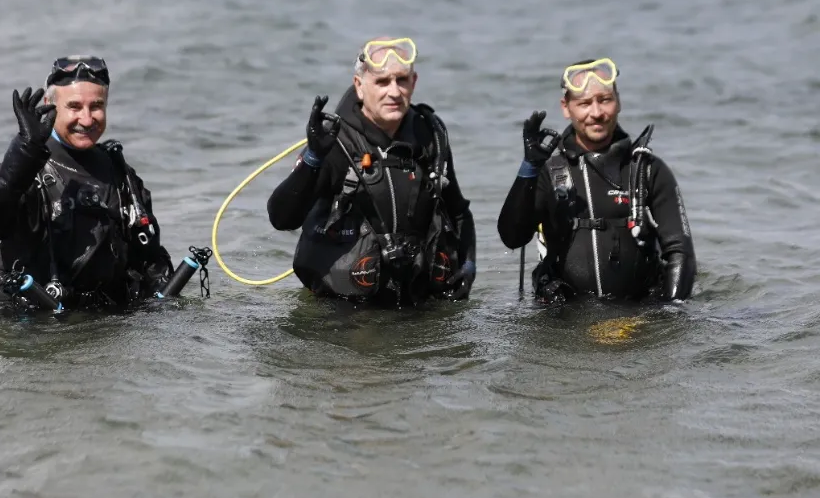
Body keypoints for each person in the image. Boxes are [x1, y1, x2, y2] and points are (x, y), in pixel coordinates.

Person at [267, 37, 477, 306]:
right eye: (381, 82)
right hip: (343, 315)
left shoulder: (430, 136)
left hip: (417, 308)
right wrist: (313, 157)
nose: (394, 91)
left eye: (401, 80)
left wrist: (468, 266)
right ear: (359, 86)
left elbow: (459, 213)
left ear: (414, 82)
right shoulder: (335, 143)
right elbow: (281, 217)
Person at [0, 56, 174, 312]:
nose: (86, 119)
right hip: (36, 328)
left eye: (96, 106)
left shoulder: (121, 175)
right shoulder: (24, 171)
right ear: (49, 106)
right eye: (74, 107)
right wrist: (25, 150)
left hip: (108, 327)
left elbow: (149, 260)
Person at [497, 57, 697, 304]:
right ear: (566, 107)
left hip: (636, 315)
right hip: (565, 318)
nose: (597, 113)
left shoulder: (647, 171)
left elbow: (681, 253)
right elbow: (512, 238)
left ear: (618, 102)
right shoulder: (551, 172)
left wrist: (669, 314)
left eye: (605, 100)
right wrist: (530, 167)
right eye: (584, 103)